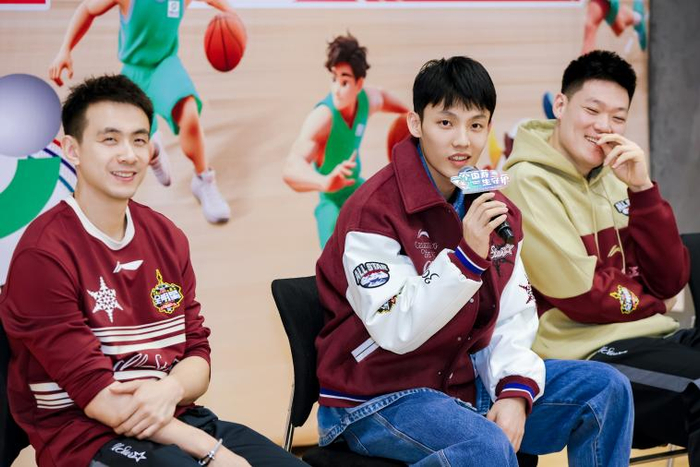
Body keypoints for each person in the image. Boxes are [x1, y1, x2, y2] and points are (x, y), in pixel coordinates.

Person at [314, 56, 634, 466]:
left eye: (477, 125)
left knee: (605, 389)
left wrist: (515, 391)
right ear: (416, 124)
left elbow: (512, 316)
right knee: (486, 445)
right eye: (446, 123)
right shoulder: (372, 211)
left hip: (462, 385)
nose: (462, 141)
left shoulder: (495, 208)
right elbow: (396, 328)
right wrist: (466, 258)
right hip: (374, 396)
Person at [0, 75, 306, 467]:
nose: (128, 154)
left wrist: (170, 389)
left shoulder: (166, 235)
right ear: (72, 150)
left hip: (177, 417)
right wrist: (215, 453)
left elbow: (197, 356)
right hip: (86, 436)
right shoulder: (43, 254)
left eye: (139, 140)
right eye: (110, 139)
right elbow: (102, 402)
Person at [503, 50, 697, 462]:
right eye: (592, 110)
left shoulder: (617, 174)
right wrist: (654, 303)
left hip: (654, 338)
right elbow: (582, 294)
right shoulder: (526, 182)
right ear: (560, 105)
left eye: (618, 117)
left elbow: (671, 279)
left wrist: (642, 189)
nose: (604, 127)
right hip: (586, 356)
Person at [49, 0, 232, 224]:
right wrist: (65, 50)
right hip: (134, 71)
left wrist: (230, 13)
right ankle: (154, 152)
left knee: (190, 113)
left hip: (166, 65)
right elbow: (87, 9)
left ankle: (203, 179)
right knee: (133, 140)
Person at [282, 33, 408, 247]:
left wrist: (412, 118)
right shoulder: (323, 118)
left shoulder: (367, 100)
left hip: (357, 188)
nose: (336, 90)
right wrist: (324, 182)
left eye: (344, 82)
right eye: (334, 79)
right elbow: (290, 168)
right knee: (333, 258)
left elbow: (385, 97)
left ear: (359, 84)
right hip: (330, 198)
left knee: (398, 230)